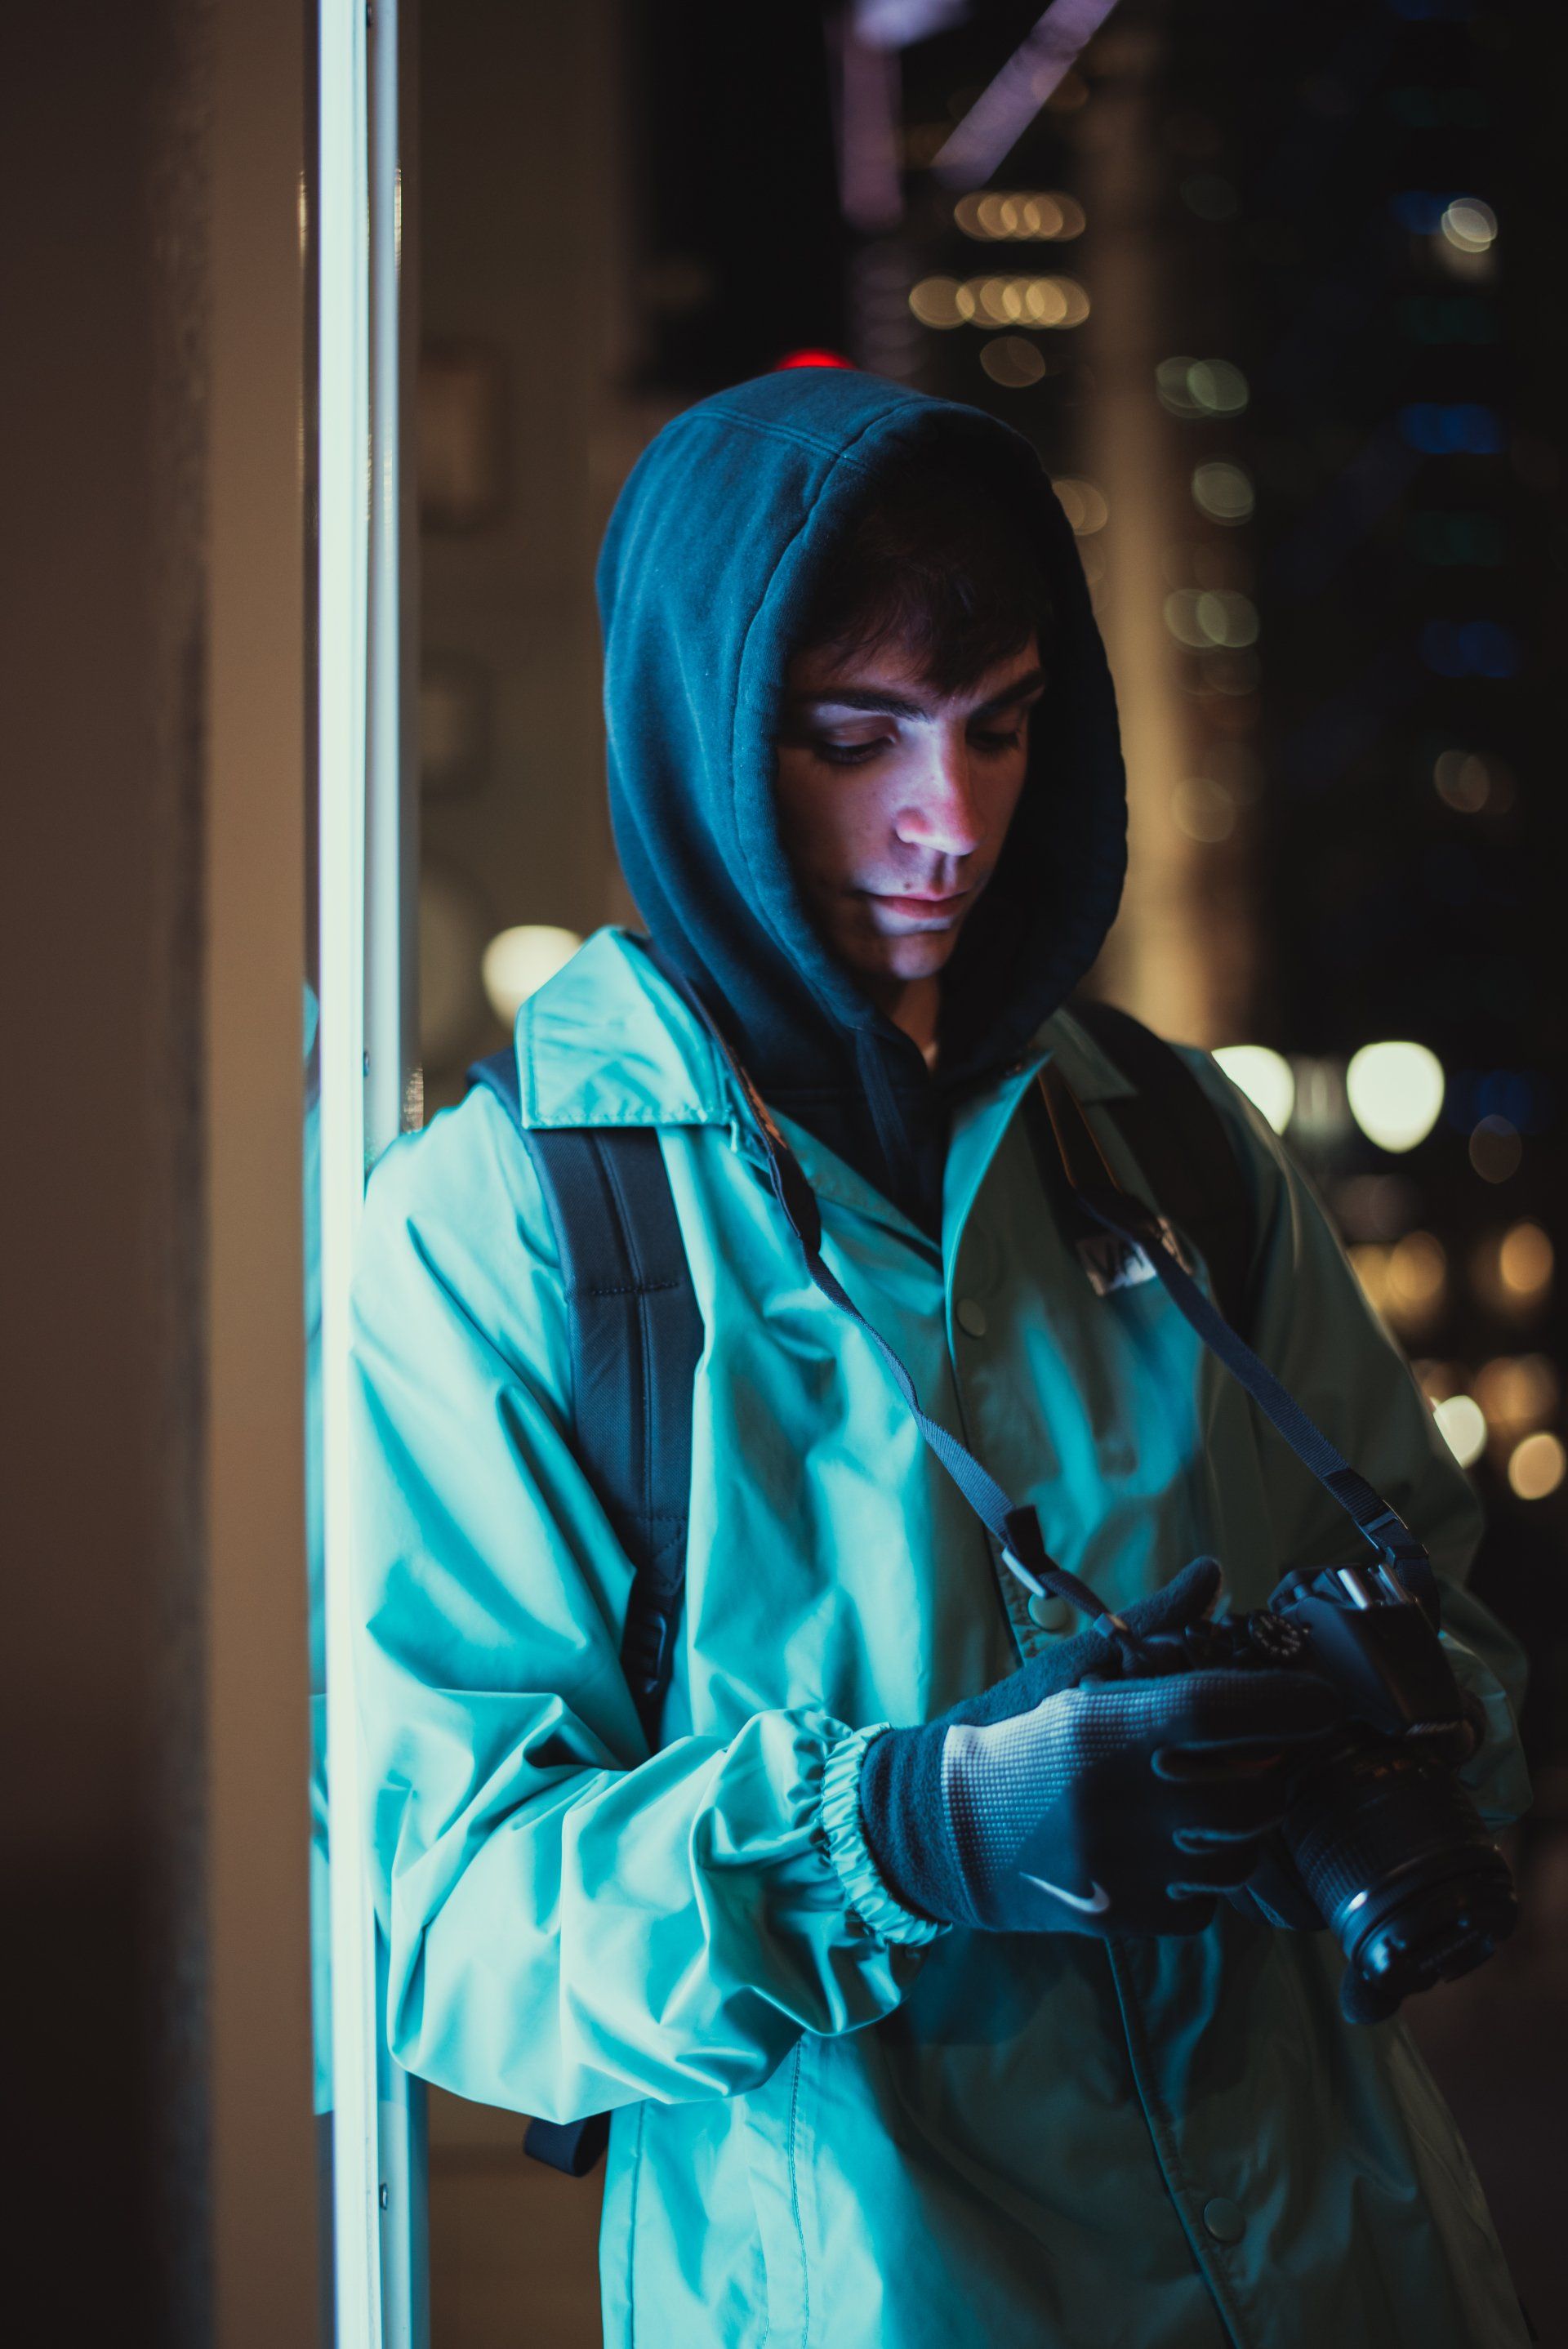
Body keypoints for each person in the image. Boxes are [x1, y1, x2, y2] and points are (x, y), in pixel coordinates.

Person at [351, 368, 1530, 2347]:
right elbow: (458, 1934)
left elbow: (1459, 1624)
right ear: (703, 744)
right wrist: (920, 1826)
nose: (951, 823)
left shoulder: (1165, 1139)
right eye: (851, 740)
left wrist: (1363, 1718)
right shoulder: (502, 1232)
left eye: (1002, 730)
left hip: (1357, 2274)